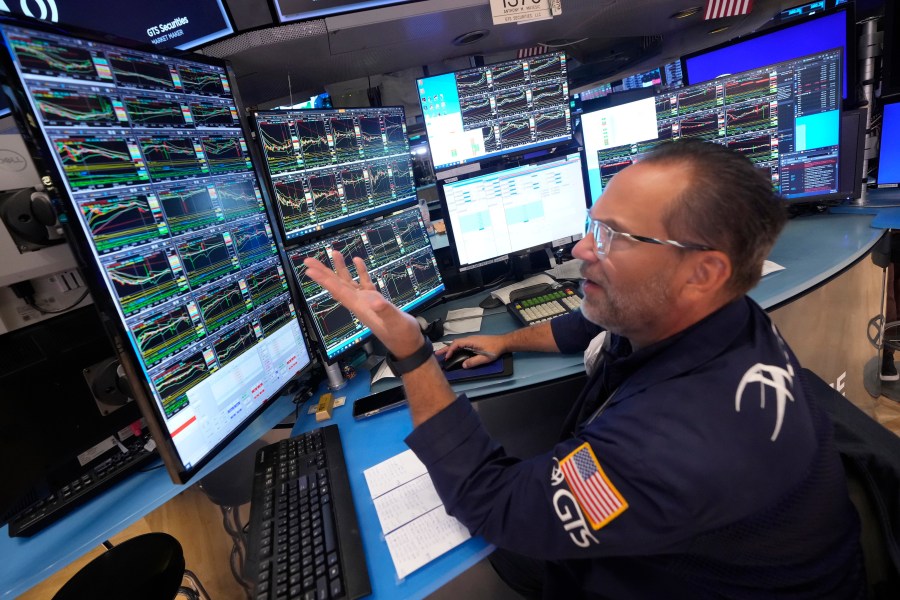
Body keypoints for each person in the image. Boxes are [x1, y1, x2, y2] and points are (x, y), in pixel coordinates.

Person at [303, 139, 865, 598]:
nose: (581, 248)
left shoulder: (669, 446)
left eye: (614, 236)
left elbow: (490, 502)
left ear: (703, 272)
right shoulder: (724, 314)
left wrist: (412, 352)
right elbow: (589, 326)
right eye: (594, 225)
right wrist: (507, 342)